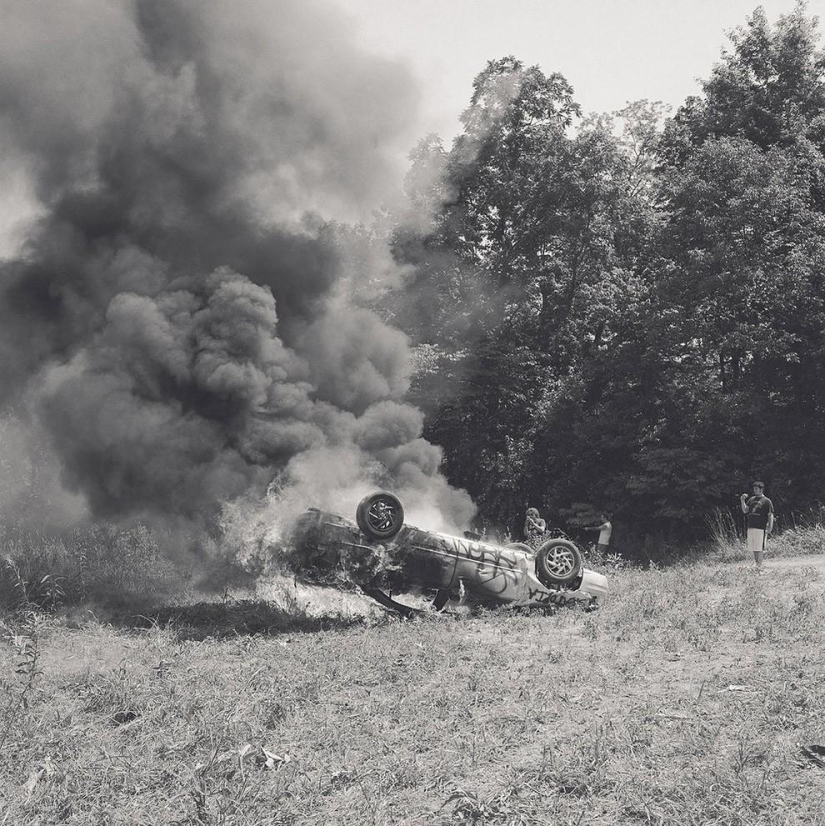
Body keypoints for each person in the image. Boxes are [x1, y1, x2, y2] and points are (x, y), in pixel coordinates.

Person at [740, 480, 774, 570]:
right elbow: (745, 510)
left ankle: (759, 566)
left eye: (756, 489)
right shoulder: (751, 499)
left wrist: (770, 526)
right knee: (754, 547)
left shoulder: (767, 501)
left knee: (759, 547)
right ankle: (756, 565)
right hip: (751, 526)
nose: (754, 490)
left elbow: (770, 515)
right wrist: (742, 500)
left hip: (760, 527)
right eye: (754, 489)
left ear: (761, 489)